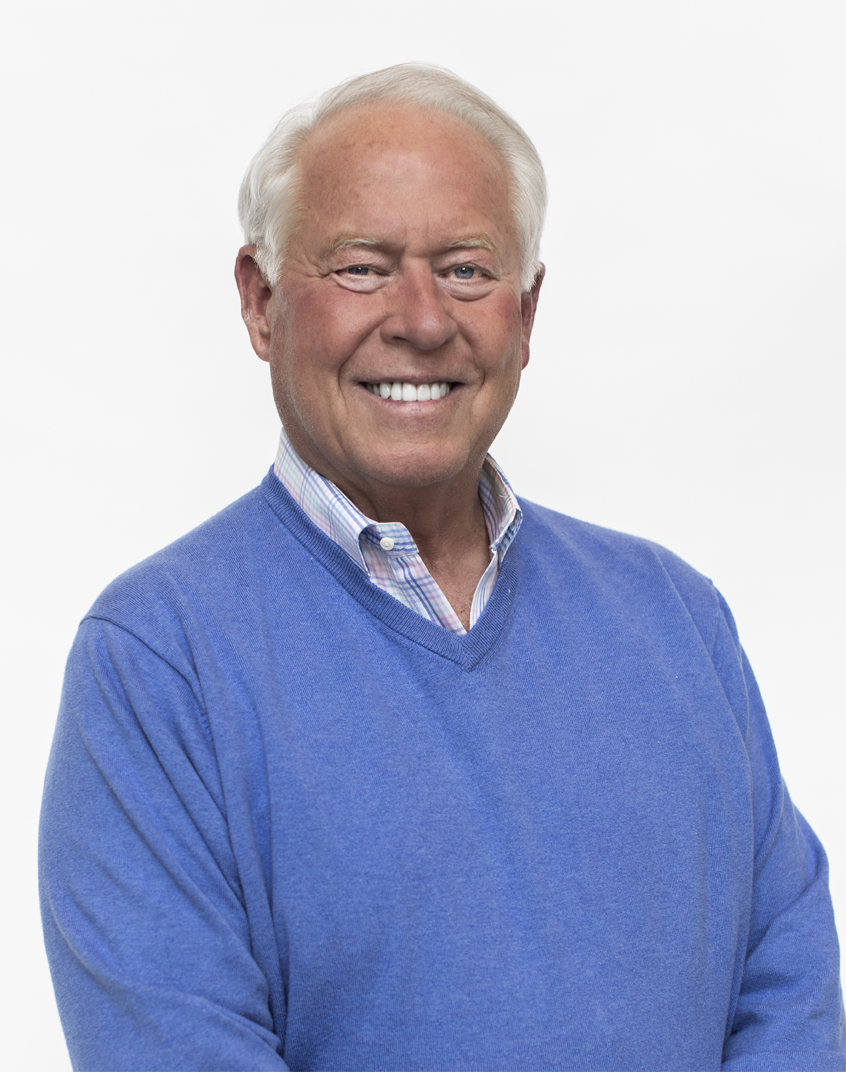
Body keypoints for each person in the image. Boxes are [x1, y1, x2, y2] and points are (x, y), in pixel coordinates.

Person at [39, 63, 844, 1072]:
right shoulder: (158, 662)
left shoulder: (676, 616)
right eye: (363, 267)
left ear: (528, 312)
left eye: (466, 269)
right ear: (259, 301)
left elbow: (791, 985)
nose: (423, 319)